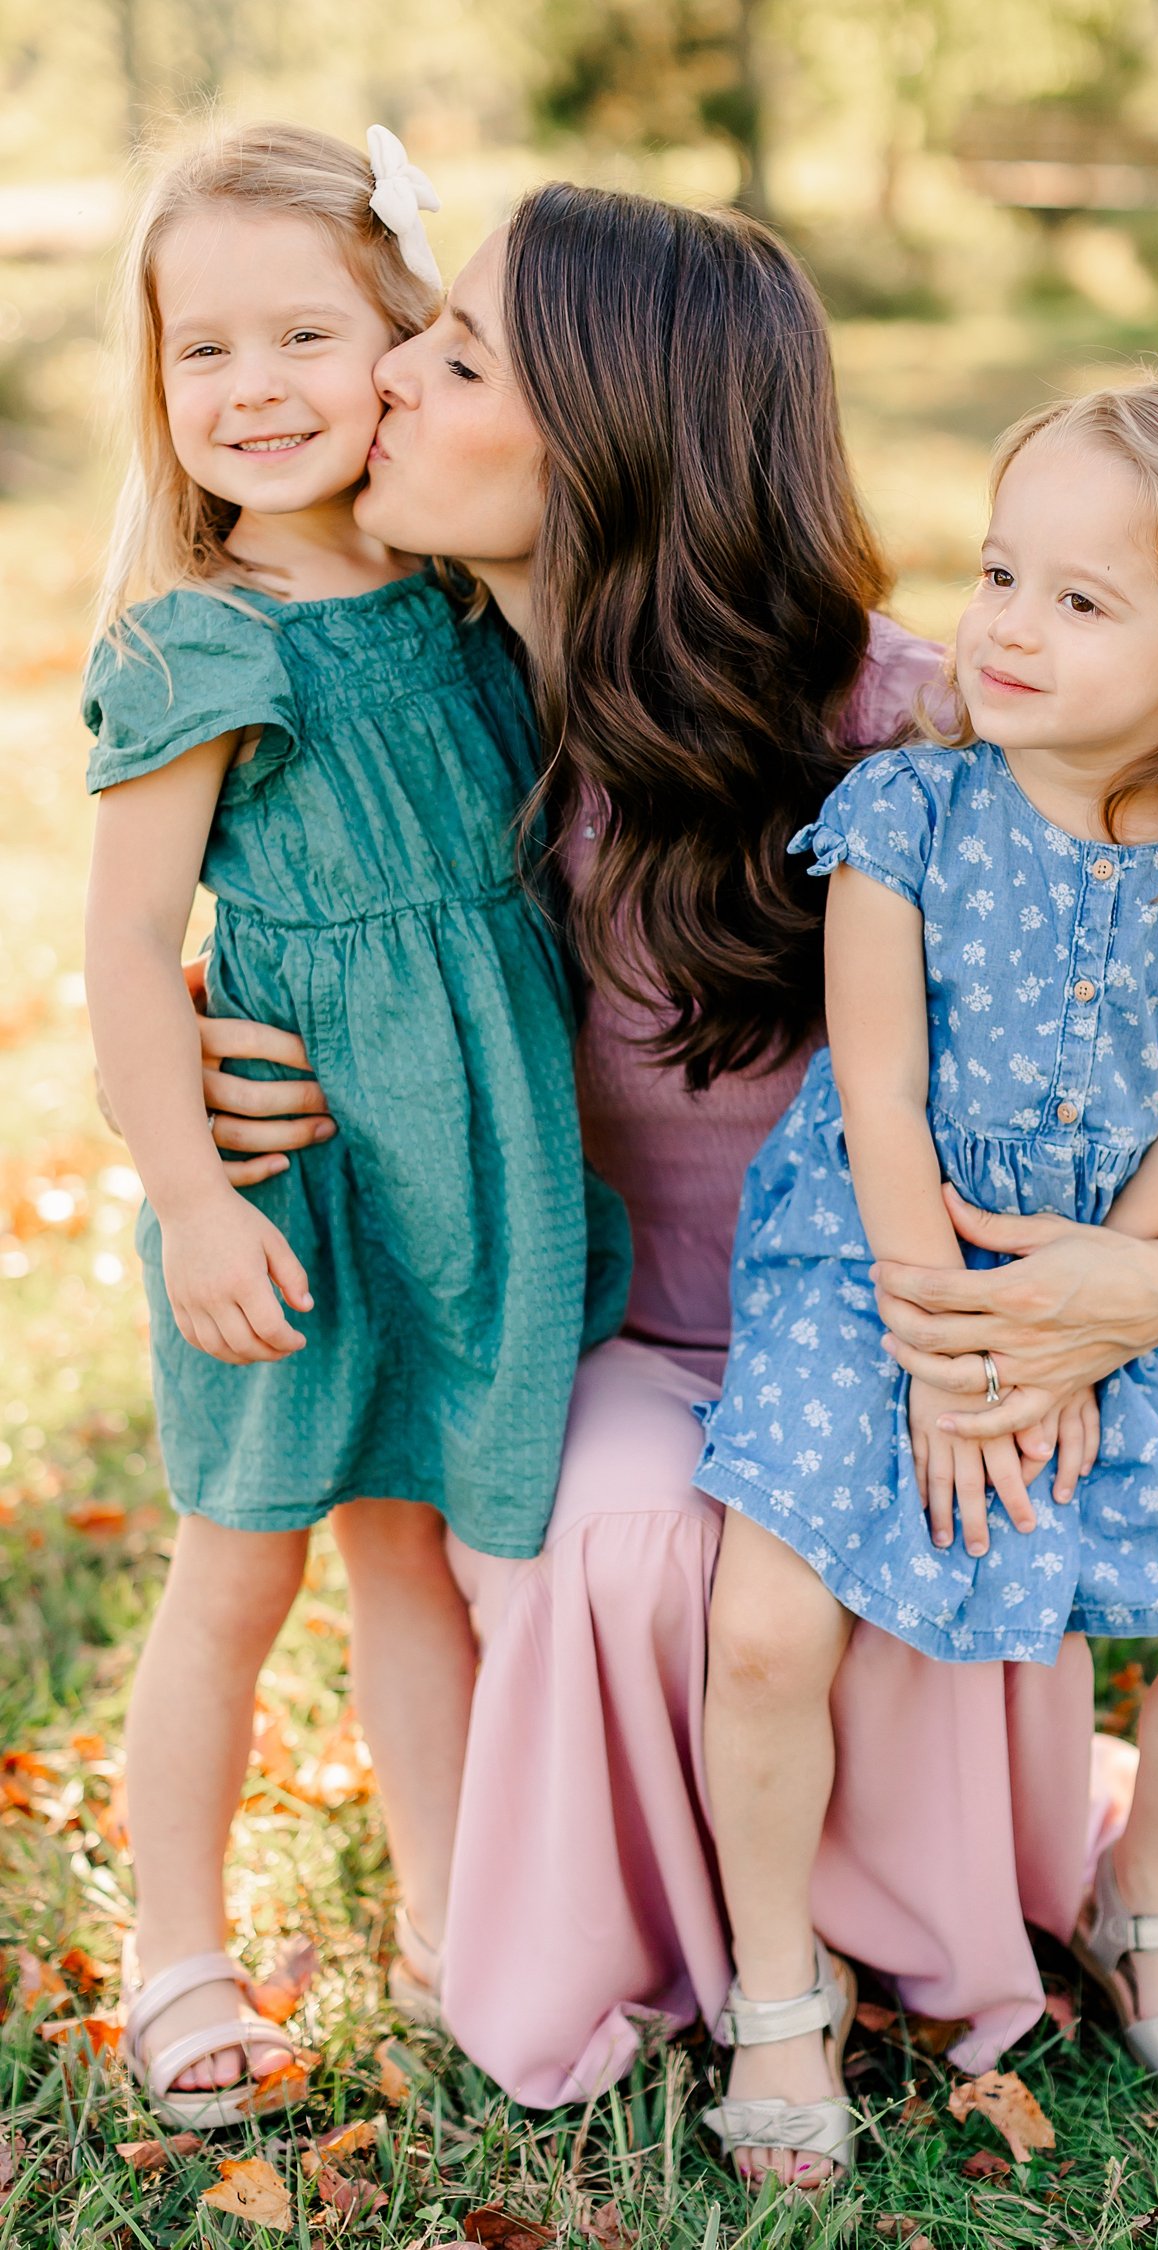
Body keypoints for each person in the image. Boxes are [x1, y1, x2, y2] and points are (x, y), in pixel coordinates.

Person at [180, 186, 1158, 2143]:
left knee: (896, 1481)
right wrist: (177, 1072)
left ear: (614, 438)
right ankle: (668, 1966)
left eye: (459, 358)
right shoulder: (410, 712)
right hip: (613, 1329)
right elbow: (240, 929)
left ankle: (947, 1915)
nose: (390, 388)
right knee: (624, 1535)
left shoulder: (907, 726)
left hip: (886, 1318)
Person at [694, 374, 1158, 2167]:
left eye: (1081, 601)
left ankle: (1141, 1895)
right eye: (1000, 574)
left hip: (1103, 1273)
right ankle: (779, 1986)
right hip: (877, 1262)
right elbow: (881, 1090)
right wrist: (946, 1347)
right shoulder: (906, 814)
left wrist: (1093, 1320)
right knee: (764, 1629)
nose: (1003, 627)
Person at [82, 124, 627, 2129]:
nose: (249, 388)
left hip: (471, 1171)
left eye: (304, 332)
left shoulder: (474, 607)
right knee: (235, 1573)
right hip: (293, 1183)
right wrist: (190, 1194)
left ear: (405, 340)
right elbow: (131, 949)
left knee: (418, 1559)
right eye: (197, 348)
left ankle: (451, 1921)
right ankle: (175, 1950)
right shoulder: (199, 641)